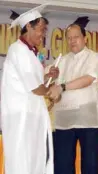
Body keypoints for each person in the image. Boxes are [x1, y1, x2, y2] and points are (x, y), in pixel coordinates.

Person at [1, 4, 59, 174]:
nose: (44, 34)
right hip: (21, 117)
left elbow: (32, 81)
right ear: (28, 26)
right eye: (42, 29)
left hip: (31, 116)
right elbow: (34, 87)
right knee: (22, 162)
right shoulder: (18, 50)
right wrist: (52, 90)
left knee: (34, 161)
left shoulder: (31, 53)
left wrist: (47, 76)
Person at [48, 21, 98, 174]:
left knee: (91, 167)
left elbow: (88, 79)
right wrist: (49, 74)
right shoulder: (61, 60)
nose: (72, 41)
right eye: (69, 38)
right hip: (63, 122)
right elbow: (44, 78)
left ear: (85, 38)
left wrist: (62, 87)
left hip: (87, 120)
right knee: (62, 167)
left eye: (76, 37)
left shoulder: (95, 58)